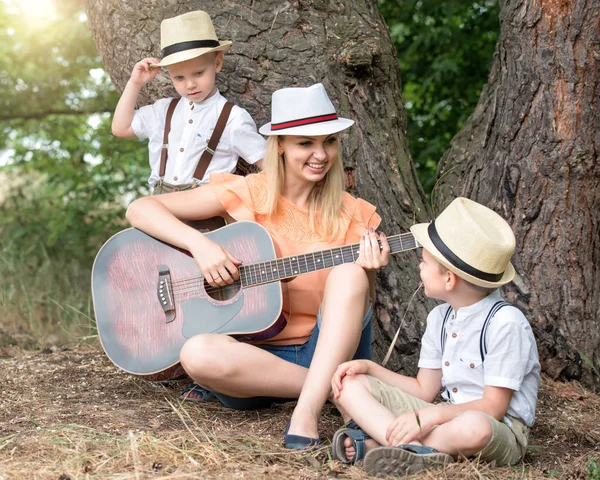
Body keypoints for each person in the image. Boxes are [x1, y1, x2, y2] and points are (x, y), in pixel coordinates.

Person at [125, 83, 390, 448]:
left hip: (326, 347)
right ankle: (338, 391)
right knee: (196, 353)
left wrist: (369, 272)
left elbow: (359, 306)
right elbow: (140, 208)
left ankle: (306, 413)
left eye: (329, 141)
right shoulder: (249, 191)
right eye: (305, 143)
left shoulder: (356, 214)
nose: (320, 154)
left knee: (349, 273)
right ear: (279, 145)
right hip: (255, 360)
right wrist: (200, 246)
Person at [330, 197, 541, 477]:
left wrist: (430, 416)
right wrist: (369, 368)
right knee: (350, 385)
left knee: (473, 427)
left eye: (424, 262)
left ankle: (377, 444)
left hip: (496, 428)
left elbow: (494, 407)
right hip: (444, 417)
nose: (419, 267)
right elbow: (423, 390)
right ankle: (413, 449)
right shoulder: (440, 317)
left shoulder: (506, 324)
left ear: (449, 280)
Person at [112, 10, 265, 194]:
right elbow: (120, 128)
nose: (190, 84)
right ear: (169, 75)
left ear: (217, 63)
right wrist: (135, 83)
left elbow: (268, 163)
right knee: (138, 210)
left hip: (204, 209)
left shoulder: (233, 118)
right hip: (161, 204)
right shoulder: (163, 111)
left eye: (198, 73)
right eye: (179, 77)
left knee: (139, 210)